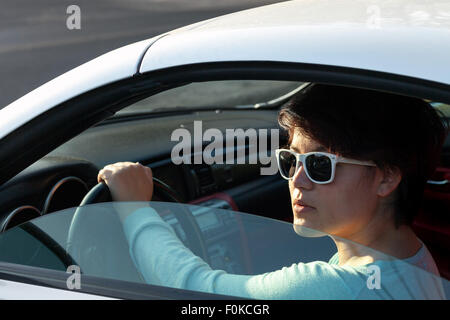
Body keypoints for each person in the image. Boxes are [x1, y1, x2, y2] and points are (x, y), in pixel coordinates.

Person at [97, 84, 447, 299]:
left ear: (386, 179)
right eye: (291, 160)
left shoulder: (341, 287)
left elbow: (193, 286)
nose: (297, 179)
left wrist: (134, 209)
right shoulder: (415, 258)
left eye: (320, 165)